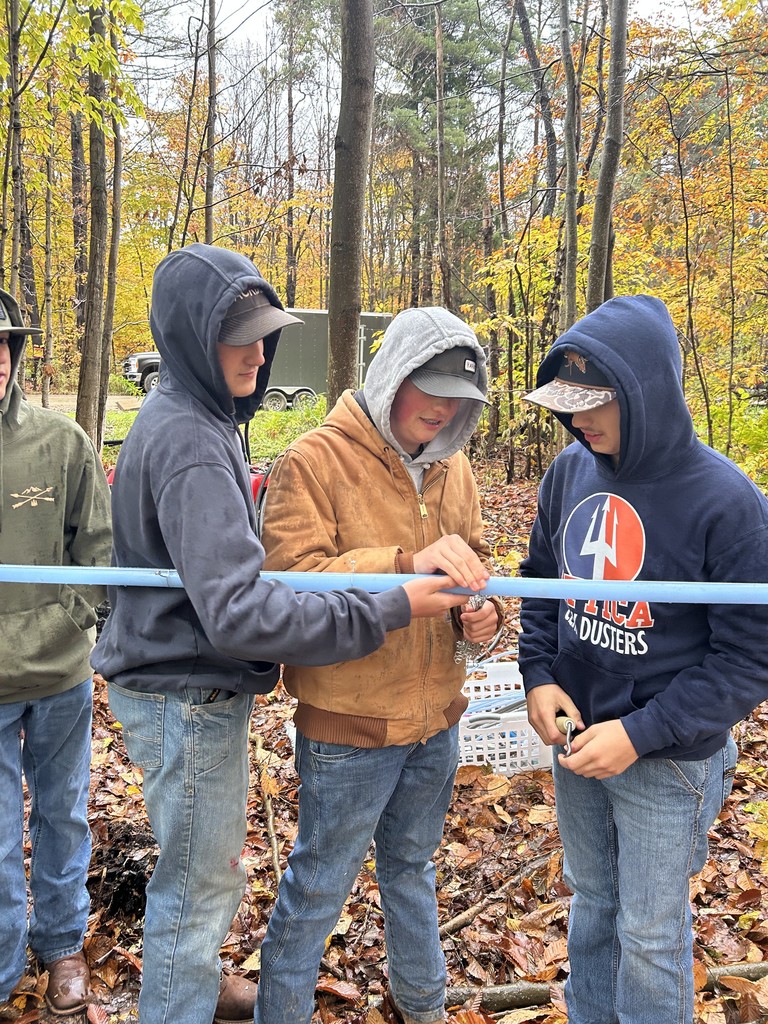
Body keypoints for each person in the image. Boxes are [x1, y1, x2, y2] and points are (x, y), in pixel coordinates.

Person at [92, 246, 471, 1024]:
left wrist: (467, 617)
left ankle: (192, 988)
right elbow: (244, 609)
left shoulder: (195, 423)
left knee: (205, 883)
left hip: (191, 684)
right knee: (198, 891)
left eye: (265, 336)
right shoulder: (195, 445)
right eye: (239, 337)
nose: (258, 353)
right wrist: (392, 599)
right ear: (191, 338)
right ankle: (180, 1000)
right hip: (185, 692)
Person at [517, 294, 768, 1024]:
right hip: (578, 741)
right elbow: (537, 584)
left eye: (596, 403)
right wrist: (539, 677)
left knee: (652, 934)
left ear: (646, 391)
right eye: (569, 404)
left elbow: (748, 660)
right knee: (593, 907)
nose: (578, 420)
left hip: (667, 761)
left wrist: (640, 733)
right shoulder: (569, 472)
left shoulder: (728, 502)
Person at [254, 306, 503, 1024]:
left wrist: (478, 616)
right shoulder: (311, 460)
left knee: (412, 869)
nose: (444, 406)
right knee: (319, 885)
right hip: (349, 727)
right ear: (391, 374)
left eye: (459, 395)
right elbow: (288, 580)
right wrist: (402, 569)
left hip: (436, 718)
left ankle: (423, 1007)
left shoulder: (455, 469)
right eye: (429, 386)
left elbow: (475, 564)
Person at [0, 290, 112, 1016]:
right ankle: (4, 966)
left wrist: (75, 618)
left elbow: (96, 548)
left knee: (64, 813)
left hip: (59, 671)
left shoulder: (59, 440)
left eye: (3, 346)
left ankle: (62, 944)